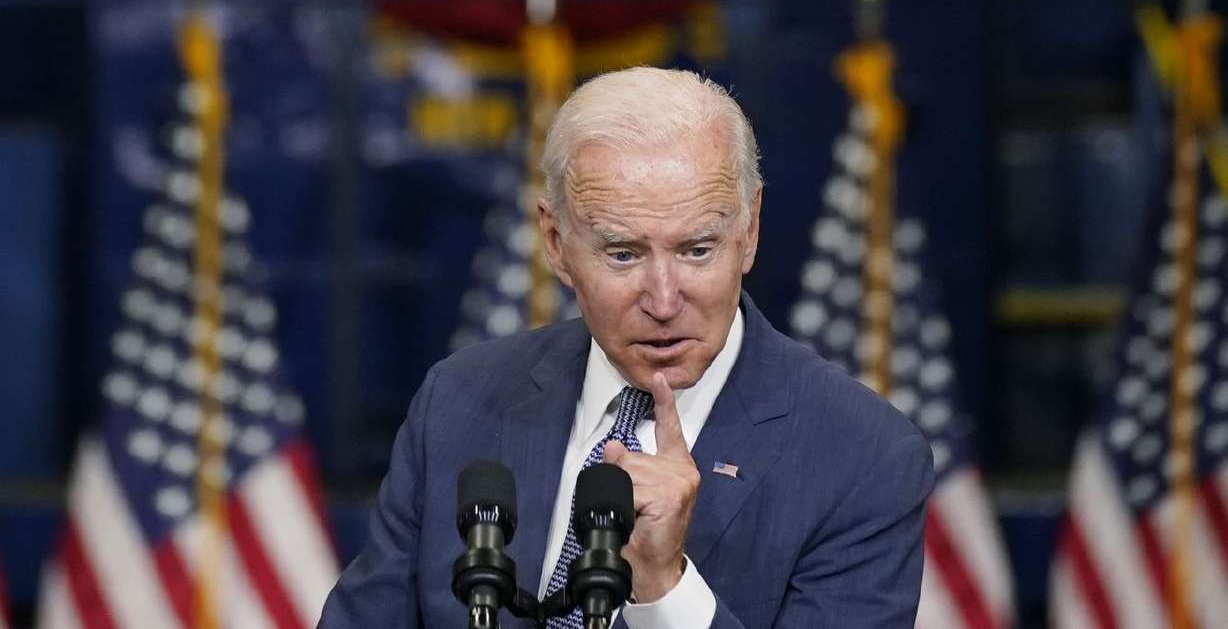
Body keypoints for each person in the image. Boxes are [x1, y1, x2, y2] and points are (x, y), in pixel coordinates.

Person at [317, 67, 934, 629]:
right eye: (623, 254)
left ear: (748, 234)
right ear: (556, 244)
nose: (664, 300)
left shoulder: (861, 455)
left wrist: (666, 589)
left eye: (697, 250)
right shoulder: (458, 401)